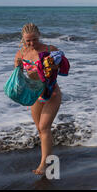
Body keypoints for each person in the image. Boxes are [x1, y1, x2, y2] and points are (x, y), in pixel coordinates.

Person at [14, 23, 63, 175]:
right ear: (23, 39)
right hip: (35, 95)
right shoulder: (21, 53)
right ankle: (51, 162)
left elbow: (64, 67)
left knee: (44, 128)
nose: (31, 43)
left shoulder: (50, 50)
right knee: (41, 130)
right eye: (28, 41)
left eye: (34, 39)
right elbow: (19, 75)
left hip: (51, 93)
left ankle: (44, 164)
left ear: (39, 35)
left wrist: (55, 66)